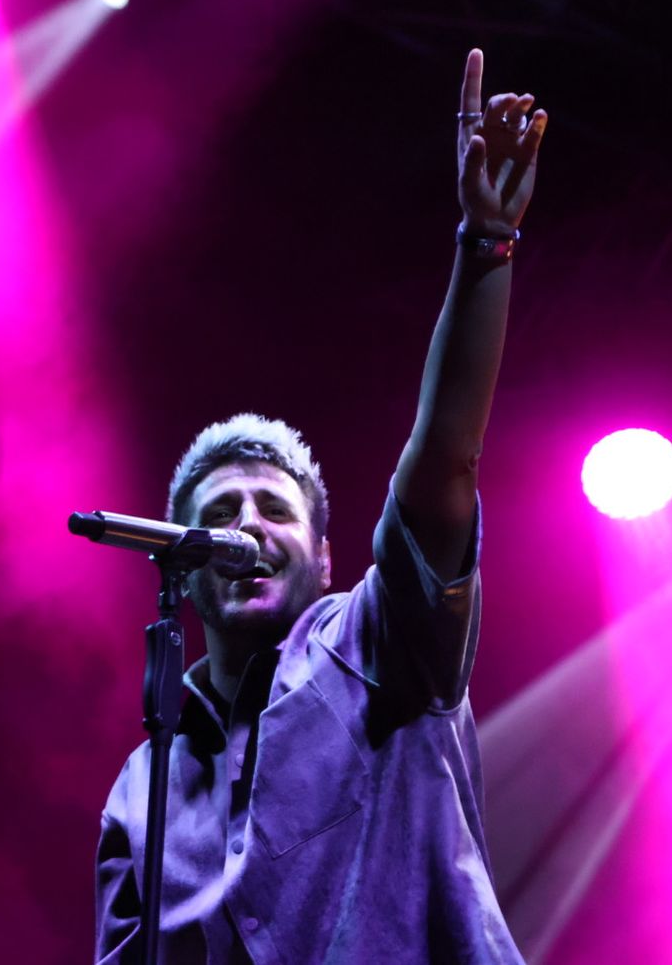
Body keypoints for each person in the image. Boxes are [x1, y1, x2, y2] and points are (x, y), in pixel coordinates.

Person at [94, 48, 546, 964]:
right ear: (185, 567)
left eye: (274, 506)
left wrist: (485, 246)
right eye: (221, 508)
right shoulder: (141, 787)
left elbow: (443, 458)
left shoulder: (373, 643)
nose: (246, 524)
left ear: (327, 557)